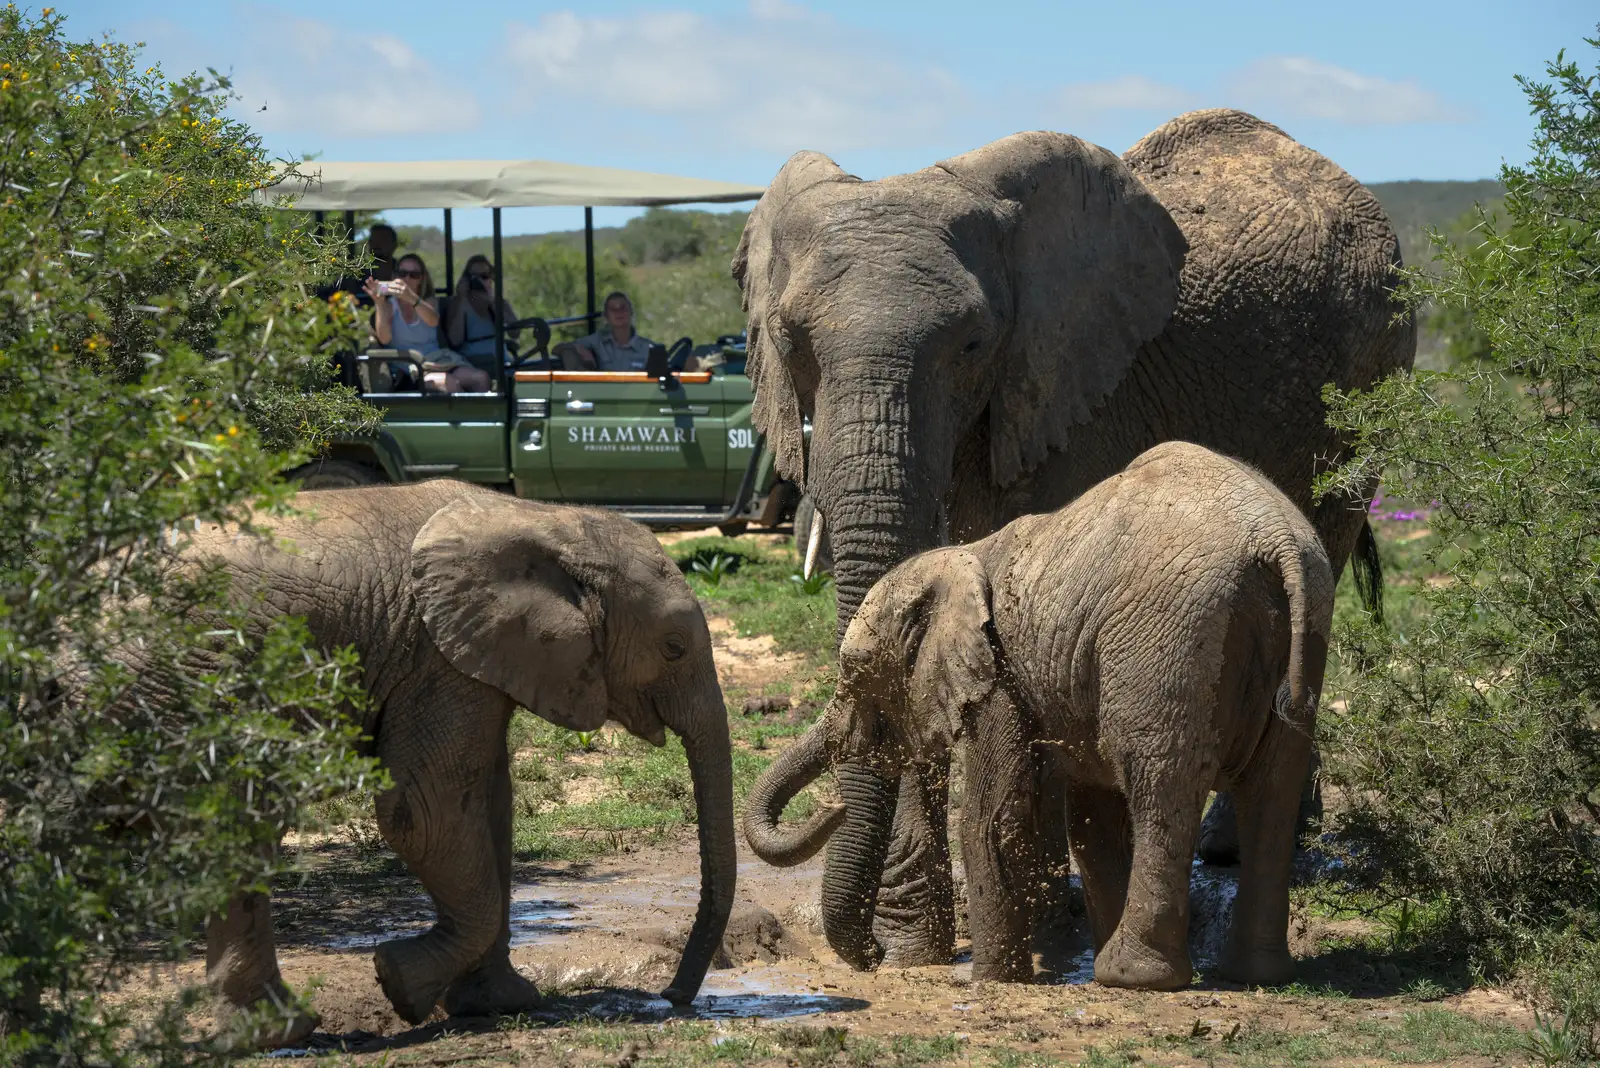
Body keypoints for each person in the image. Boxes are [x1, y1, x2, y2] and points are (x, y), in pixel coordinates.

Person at [362, 253, 445, 390]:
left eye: (414, 275)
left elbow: (433, 321)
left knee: (480, 377)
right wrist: (380, 304)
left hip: (437, 361)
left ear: (421, 279)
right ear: (395, 277)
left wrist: (410, 297)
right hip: (408, 367)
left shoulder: (428, 301)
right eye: (402, 273)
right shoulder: (388, 305)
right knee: (449, 383)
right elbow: (384, 338)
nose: (407, 279)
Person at [445, 254, 519, 384]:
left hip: (502, 360)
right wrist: (461, 299)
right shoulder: (459, 303)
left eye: (484, 276)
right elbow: (455, 340)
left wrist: (493, 302)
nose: (479, 281)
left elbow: (515, 333)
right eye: (473, 277)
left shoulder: (498, 302)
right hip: (475, 362)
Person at [573, 291, 657, 371]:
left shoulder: (649, 349)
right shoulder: (597, 342)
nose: (618, 312)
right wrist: (582, 353)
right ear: (606, 316)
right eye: (613, 309)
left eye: (622, 308)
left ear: (631, 312)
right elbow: (564, 347)